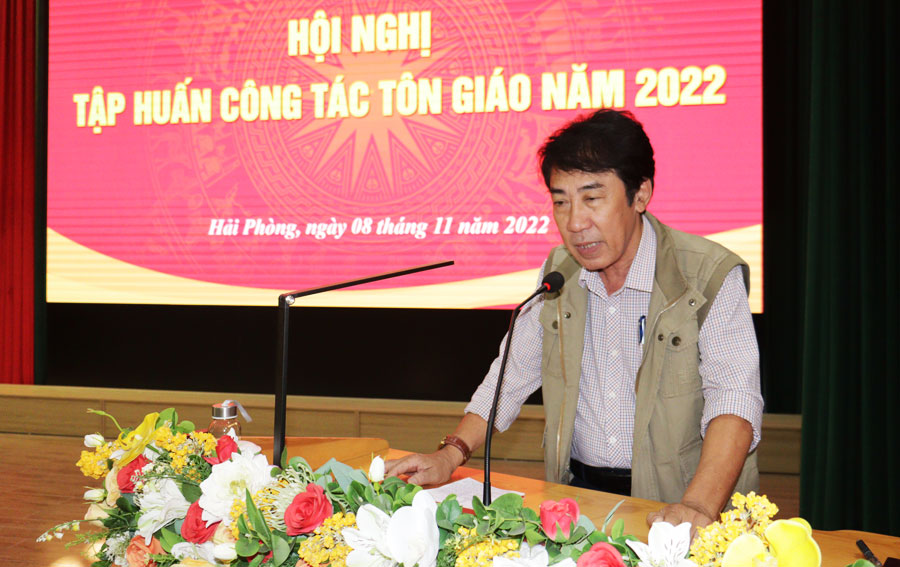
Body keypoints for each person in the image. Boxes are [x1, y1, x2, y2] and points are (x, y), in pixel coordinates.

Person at [385, 109, 762, 531]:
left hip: (680, 499)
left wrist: (698, 506)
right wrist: (449, 453)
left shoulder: (706, 275)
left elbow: (734, 400)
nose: (575, 223)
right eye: (561, 201)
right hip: (579, 497)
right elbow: (511, 375)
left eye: (592, 198)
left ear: (640, 194)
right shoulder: (559, 272)